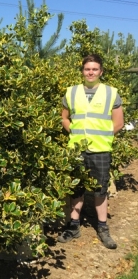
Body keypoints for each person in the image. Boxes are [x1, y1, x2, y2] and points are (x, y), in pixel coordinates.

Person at [58, 54, 124, 249]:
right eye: (87, 69)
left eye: (95, 69)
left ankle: (103, 227)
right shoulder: (70, 92)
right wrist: (76, 133)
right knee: (75, 188)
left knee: (100, 189)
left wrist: (102, 136)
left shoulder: (112, 93)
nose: (91, 72)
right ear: (82, 71)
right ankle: (74, 225)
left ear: (101, 72)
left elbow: (118, 123)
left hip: (101, 149)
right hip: (77, 149)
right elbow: (65, 119)